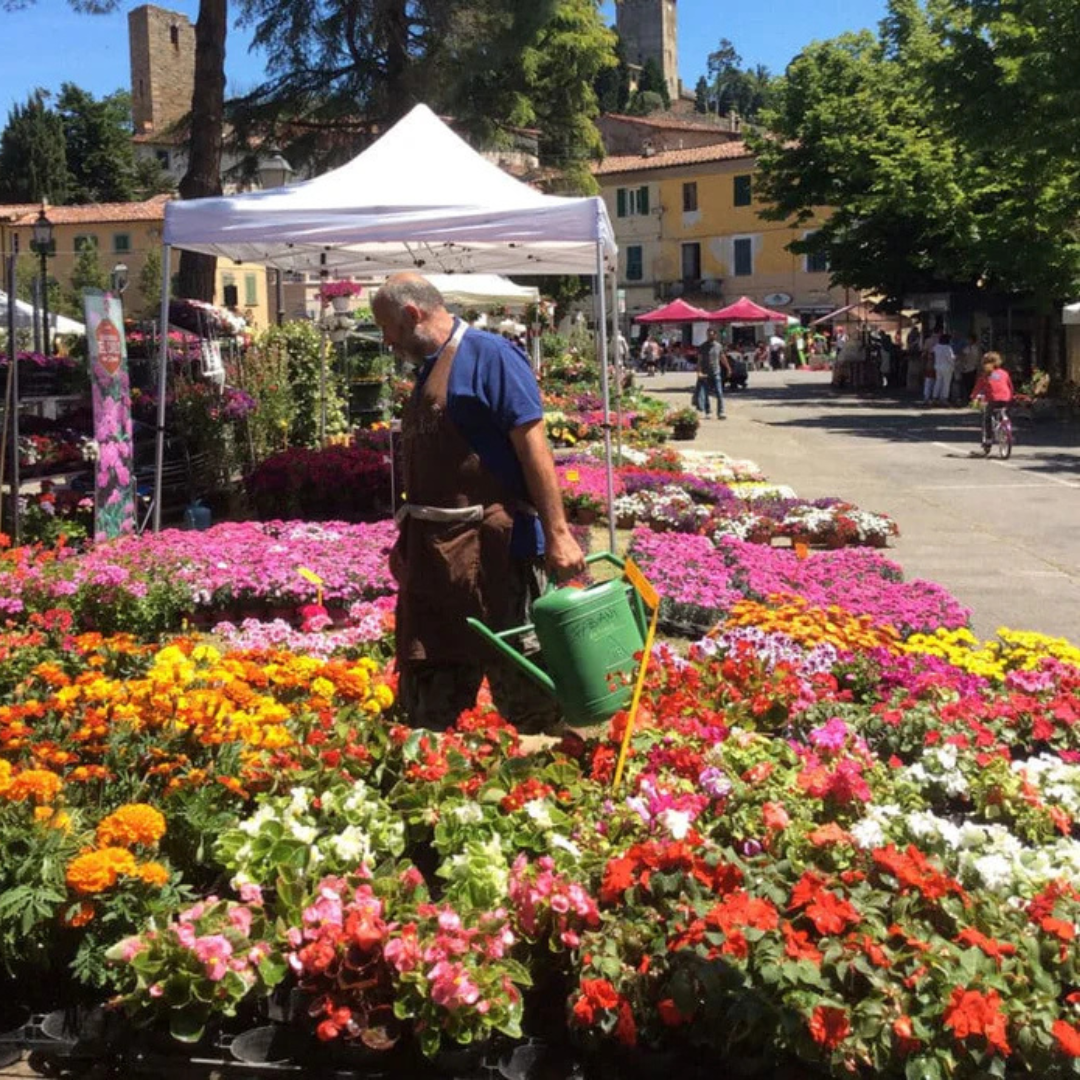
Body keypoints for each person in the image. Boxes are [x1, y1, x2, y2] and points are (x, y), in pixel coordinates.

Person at [372, 273, 585, 732]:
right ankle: (436, 774)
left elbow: (534, 448)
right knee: (432, 682)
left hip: (496, 552)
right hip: (436, 557)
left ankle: (549, 768)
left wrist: (559, 535)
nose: (388, 341)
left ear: (413, 314)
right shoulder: (430, 365)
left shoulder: (492, 357)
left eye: (389, 329)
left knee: (524, 681)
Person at [971, 351, 1014, 452]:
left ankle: (989, 440)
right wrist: (1012, 397)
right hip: (1006, 398)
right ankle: (1006, 425)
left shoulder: (986, 375)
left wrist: (974, 397)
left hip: (993, 399)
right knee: (1005, 412)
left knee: (988, 417)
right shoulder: (1004, 373)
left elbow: (978, 388)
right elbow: (1010, 387)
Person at [694, 328, 731, 417]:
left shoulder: (718, 346)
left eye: (711, 335)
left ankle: (721, 412)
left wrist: (728, 368)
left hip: (716, 372)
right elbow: (699, 360)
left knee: (719, 392)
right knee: (706, 393)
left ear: (715, 335)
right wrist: (698, 372)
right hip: (705, 372)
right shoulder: (702, 347)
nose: (710, 336)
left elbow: (722, 358)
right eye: (708, 335)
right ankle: (708, 411)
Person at [932, 333, 956, 405]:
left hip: (938, 366)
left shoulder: (936, 347)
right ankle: (944, 398)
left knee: (938, 382)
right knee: (946, 383)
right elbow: (950, 358)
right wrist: (954, 362)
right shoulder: (948, 348)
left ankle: (935, 397)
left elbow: (933, 354)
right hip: (947, 367)